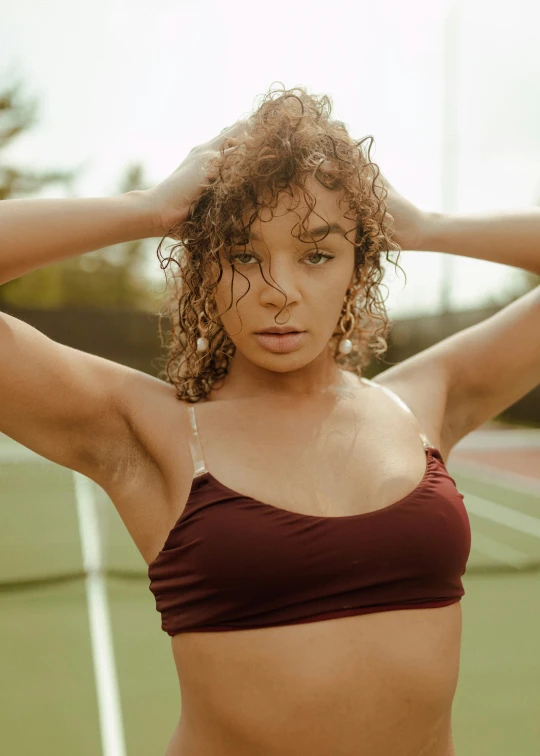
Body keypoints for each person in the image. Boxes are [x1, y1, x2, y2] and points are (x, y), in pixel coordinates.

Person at [1, 85, 538, 756]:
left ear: (359, 264)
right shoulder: (148, 434)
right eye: (242, 255)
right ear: (202, 268)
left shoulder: (423, 401)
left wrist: (427, 226)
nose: (278, 291)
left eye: (317, 254)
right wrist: (150, 208)